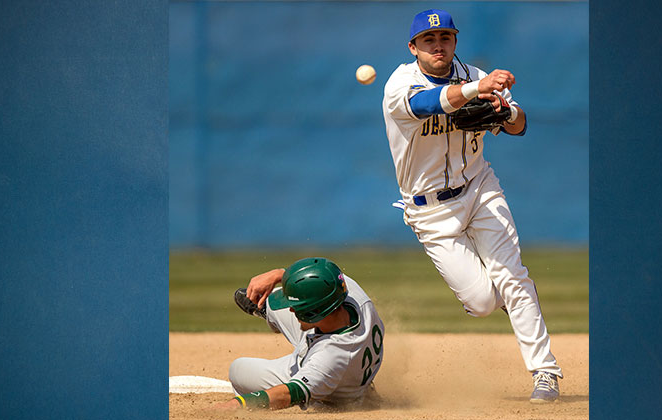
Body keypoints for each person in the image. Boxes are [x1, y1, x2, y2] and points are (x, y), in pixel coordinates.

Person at [381, 9, 562, 403]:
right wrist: (474, 91)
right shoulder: (400, 83)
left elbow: (520, 125)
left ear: (455, 41)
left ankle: (545, 371)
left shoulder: (476, 76)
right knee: (482, 303)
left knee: (513, 276)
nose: (438, 44)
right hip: (430, 209)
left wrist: (506, 111)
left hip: (480, 189)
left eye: (445, 37)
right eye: (429, 40)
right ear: (413, 48)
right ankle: (511, 302)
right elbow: (429, 104)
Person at [214, 257, 384, 411]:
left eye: (296, 308)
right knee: (279, 300)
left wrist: (234, 405)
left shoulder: (331, 357)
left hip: (333, 387)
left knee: (238, 369)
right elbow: (318, 276)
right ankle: (266, 308)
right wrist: (279, 274)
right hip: (339, 345)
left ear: (314, 313)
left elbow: (289, 394)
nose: (291, 309)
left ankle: (320, 401)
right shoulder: (351, 294)